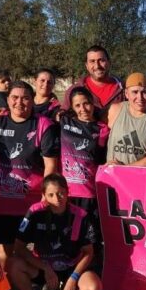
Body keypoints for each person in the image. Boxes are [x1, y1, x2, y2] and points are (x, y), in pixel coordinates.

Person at [0, 80, 59, 267]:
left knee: (40, 247)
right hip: (3, 200)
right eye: (14, 97)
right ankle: (6, 284)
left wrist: (45, 198)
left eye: (25, 98)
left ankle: (39, 279)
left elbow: (50, 165)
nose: (19, 102)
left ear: (32, 100)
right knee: (3, 251)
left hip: (32, 200)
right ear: (7, 100)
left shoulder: (44, 125)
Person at [7, 175, 102, 290]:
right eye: (51, 195)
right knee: (13, 263)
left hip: (71, 268)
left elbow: (89, 252)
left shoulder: (80, 215)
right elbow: (19, 248)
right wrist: (45, 267)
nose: (57, 198)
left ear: (67, 192)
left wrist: (73, 279)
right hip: (43, 268)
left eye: (61, 193)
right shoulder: (35, 213)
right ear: (44, 195)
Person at [58, 86, 109, 272]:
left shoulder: (102, 130)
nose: (83, 109)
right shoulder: (64, 122)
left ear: (93, 103)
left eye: (86, 103)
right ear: (72, 107)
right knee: (66, 235)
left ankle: (94, 271)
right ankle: (64, 273)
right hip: (67, 193)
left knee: (91, 236)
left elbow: (103, 158)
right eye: (78, 105)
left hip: (89, 193)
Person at [105, 72, 146, 166]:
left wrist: (123, 169)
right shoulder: (115, 110)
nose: (140, 97)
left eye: (144, 92)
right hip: (111, 177)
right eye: (135, 92)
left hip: (140, 178)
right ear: (126, 93)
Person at [62, 45, 123, 117]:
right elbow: (64, 116)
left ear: (109, 63)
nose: (97, 66)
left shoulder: (123, 89)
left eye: (101, 60)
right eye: (92, 61)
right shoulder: (73, 91)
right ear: (87, 66)